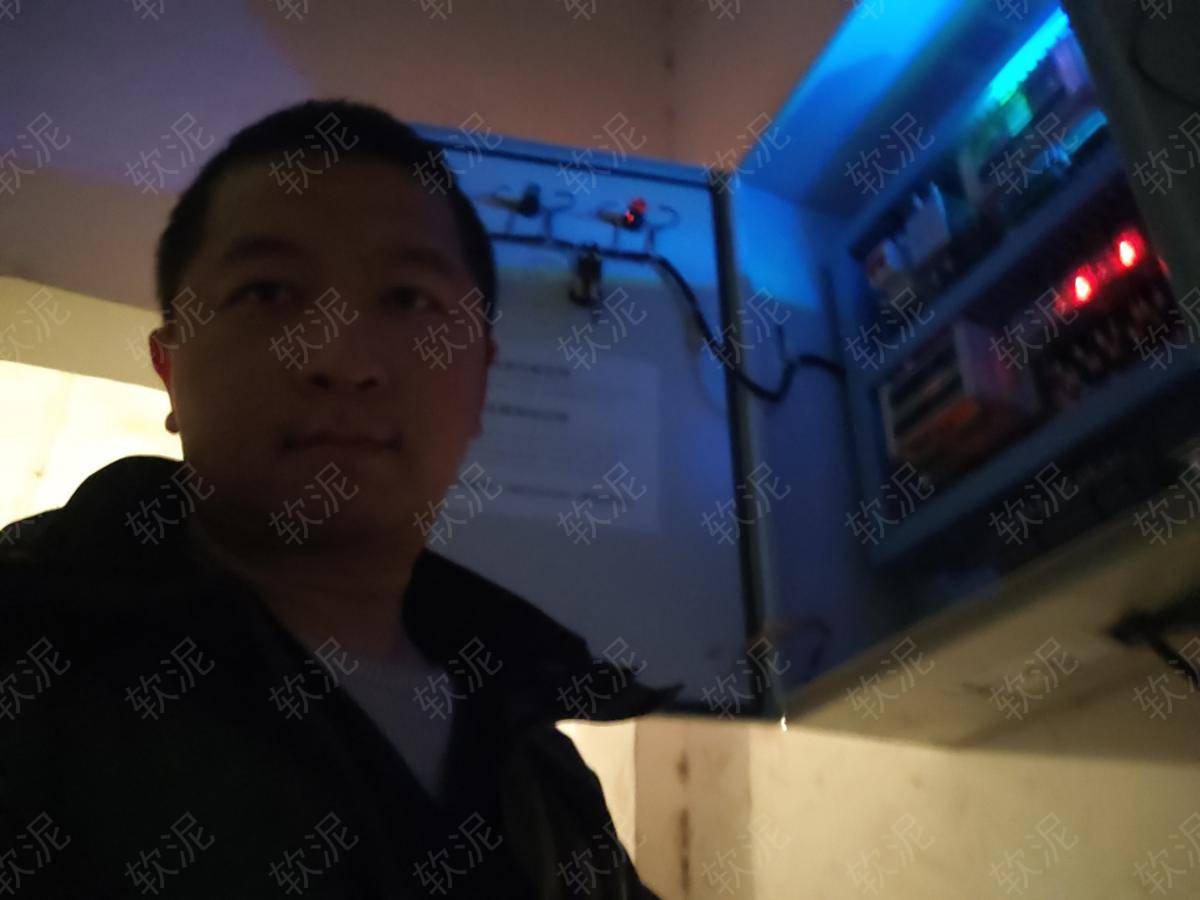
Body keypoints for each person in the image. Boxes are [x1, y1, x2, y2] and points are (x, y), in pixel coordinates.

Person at [0, 98, 677, 899]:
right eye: (267, 291)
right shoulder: (31, 664)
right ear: (170, 366)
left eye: (408, 299)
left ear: (479, 381)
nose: (341, 359)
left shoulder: (540, 764)